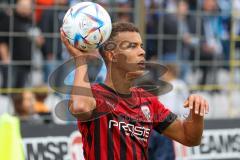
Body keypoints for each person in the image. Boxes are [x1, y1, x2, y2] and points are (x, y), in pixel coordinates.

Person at [60, 22, 209, 160]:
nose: (142, 51)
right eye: (132, 46)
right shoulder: (94, 96)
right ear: (112, 55)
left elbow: (189, 138)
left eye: (141, 45)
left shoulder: (147, 101)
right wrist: (80, 60)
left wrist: (196, 113)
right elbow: (80, 107)